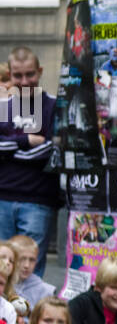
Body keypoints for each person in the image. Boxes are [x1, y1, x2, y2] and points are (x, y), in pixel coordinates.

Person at [0, 48, 59, 275]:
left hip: (37, 201)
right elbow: (35, 147)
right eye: (18, 75)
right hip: (2, 197)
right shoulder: (3, 106)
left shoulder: (53, 105)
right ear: (10, 74)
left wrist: (9, 148)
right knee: (1, 271)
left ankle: (30, 311)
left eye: (30, 74)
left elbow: (49, 149)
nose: (24, 81)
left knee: (29, 272)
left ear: (40, 71)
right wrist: (26, 140)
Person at [7, 234, 54, 308]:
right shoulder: (3, 284)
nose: (27, 265)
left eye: (32, 260)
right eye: (21, 259)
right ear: (11, 259)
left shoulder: (45, 292)